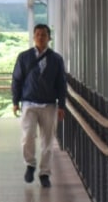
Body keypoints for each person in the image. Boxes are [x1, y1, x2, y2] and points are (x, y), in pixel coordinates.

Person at [11, 24, 67, 187]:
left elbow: (61, 83)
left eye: (44, 35)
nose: (41, 37)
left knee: (47, 141)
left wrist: (61, 105)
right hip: (29, 102)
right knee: (28, 135)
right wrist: (15, 101)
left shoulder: (56, 59)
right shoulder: (24, 57)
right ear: (33, 37)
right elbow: (16, 79)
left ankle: (45, 173)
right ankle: (30, 164)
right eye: (37, 35)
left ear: (49, 38)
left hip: (49, 104)